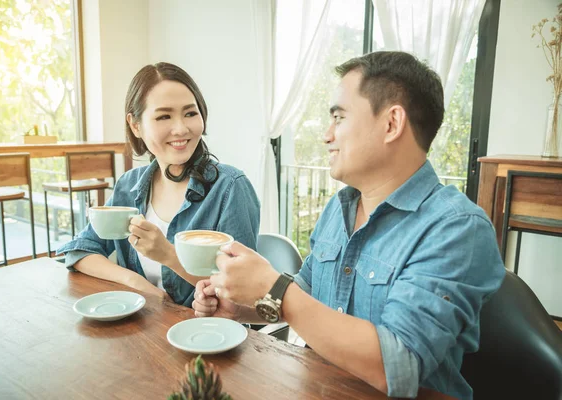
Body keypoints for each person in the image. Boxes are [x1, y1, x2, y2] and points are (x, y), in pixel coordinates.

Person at [192, 51, 505, 399]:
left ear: (391, 124)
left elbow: (395, 368)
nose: (327, 135)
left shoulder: (457, 228)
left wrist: (274, 287)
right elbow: (307, 295)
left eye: (339, 117)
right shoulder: (338, 209)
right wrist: (242, 306)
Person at [57, 62, 260, 306]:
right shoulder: (129, 185)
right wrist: (135, 283)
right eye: (164, 116)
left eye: (190, 113)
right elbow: (80, 249)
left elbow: (243, 293)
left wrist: (168, 255)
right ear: (135, 125)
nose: (181, 128)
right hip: (140, 331)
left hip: (207, 334)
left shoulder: (230, 188)